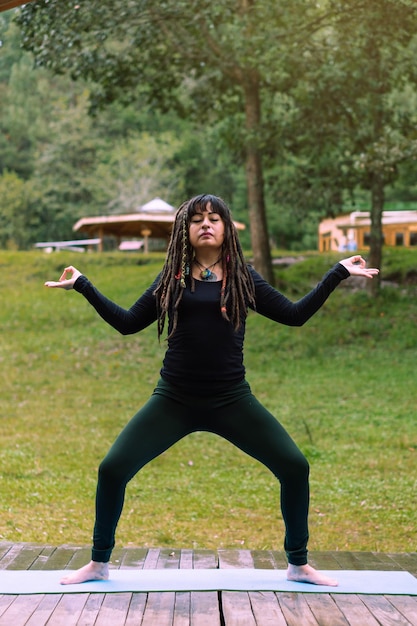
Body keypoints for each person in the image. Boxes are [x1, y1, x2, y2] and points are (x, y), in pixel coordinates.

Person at [45, 194, 379, 586]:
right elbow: (128, 322)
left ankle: (299, 564)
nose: (206, 224)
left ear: (225, 229)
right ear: (184, 230)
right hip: (174, 399)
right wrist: (84, 285)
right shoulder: (172, 276)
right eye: (197, 219)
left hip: (231, 399)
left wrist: (336, 272)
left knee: (294, 467)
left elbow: (294, 315)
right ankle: (98, 563)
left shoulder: (243, 277)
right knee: (112, 469)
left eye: (214, 219)